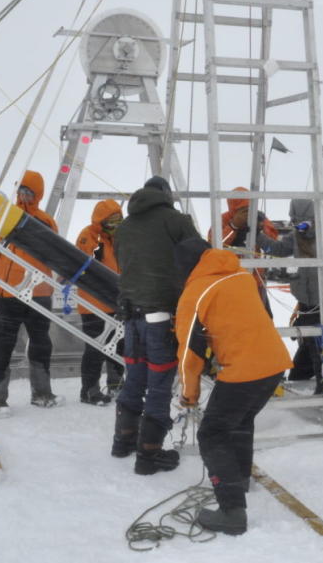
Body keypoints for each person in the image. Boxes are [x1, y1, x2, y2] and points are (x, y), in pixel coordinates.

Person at [176, 242, 293, 536]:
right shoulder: (238, 275)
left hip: (245, 369)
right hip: (274, 363)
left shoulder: (196, 292)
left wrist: (189, 395)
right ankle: (238, 479)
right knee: (240, 421)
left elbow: (189, 354)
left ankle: (232, 512)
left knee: (212, 433)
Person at [111, 176, 203, 474]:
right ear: (166, 195)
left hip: (131, 316)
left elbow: (124, 264)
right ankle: (149, 456)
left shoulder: (123, 227)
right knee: (160, 385)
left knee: (134, 378)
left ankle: (122, 442)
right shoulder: (175, 221)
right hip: (162, 316)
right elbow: (199, 258)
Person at [258, 199, 323, 402]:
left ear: (315, 219)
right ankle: (320, 383)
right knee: (313, 343)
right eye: (295, 225)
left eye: (303, 225)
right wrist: (256, 234)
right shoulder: (296, 237)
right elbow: (278, 250)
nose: (300, 229)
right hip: (309, 300)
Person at [0, 170, 59, 415]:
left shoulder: (46, 221)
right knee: (2, 346)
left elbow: (55, 253)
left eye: (29, 190)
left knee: (41, 344)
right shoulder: (5, 218)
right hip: (8, 295)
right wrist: (1, 281)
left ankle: (42, 394)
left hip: (39, 294)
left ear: (38, 194)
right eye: (21, 189)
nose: (24, 194)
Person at [74, 199, 126, 405]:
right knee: (95, 347)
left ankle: (116, 384)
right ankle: (89, 390)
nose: (116, 227)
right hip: (93, 304)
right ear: (101, 222)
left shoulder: (120, 240)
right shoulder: (89, 237)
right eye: (112, 223)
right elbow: (82, 268)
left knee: (120, 344)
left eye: (119, 221)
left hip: (116, 301)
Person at [210, 186, 278, 250]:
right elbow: (213, 246)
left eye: (248, 208)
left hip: (254, 259)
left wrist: (261, 230)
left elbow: (272, 246)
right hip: (229, 259)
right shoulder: (223, 219)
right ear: (233, 209)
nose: (246, 213)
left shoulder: (260, 217)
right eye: (241, 209)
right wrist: (233, 226)